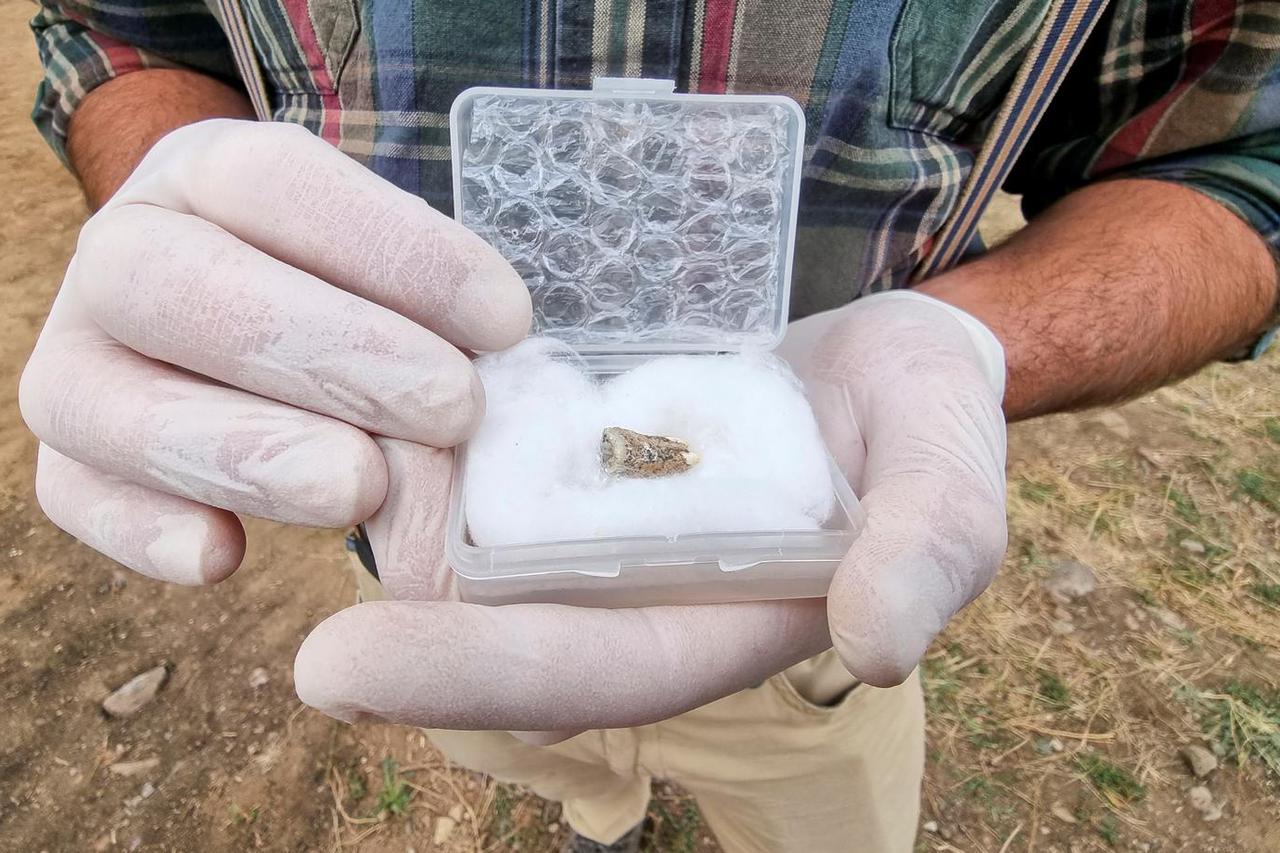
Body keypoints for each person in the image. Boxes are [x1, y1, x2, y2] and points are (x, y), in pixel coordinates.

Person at [20, 2, 1279, 851]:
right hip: (434, 550)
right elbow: (125, 36)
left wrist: (967, 336)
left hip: (812, 592)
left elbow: (1239, 157)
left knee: (820, 792)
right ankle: (597, 808)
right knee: (524, 743)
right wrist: (193, 220)